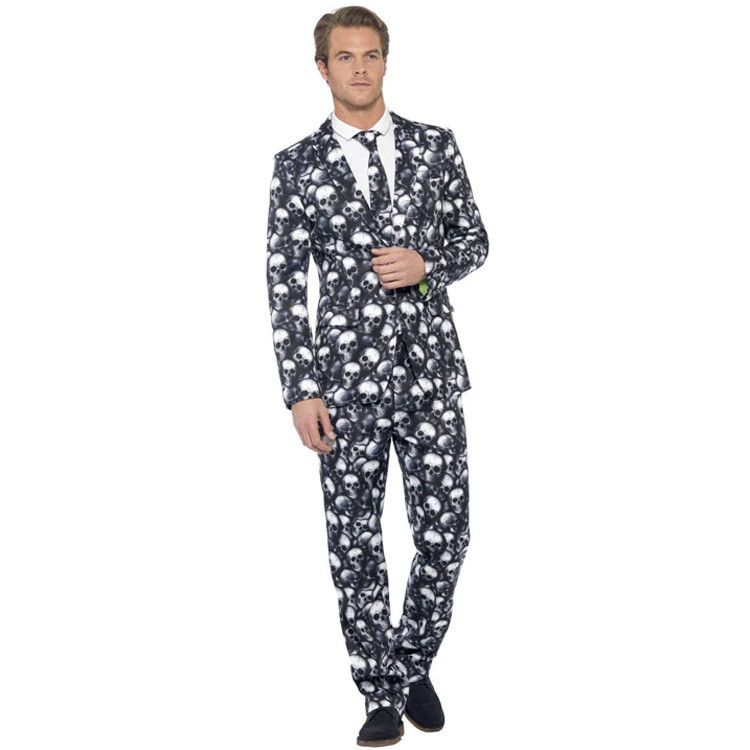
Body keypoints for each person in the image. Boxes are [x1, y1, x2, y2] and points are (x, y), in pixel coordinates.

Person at [265, 6, 489, 745]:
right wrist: (300, 387)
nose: (359, 68)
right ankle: (380, 695)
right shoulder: (297, 165)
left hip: (430, 374)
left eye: (370, 55)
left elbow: (474, 239)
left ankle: (411, 662)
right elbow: (284, 283)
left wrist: (429, 266)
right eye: (344, 56)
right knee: (355, 542)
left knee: (446, 534)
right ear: (322, 68)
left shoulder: (435, 145)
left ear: (385, 62)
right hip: (341, 385)